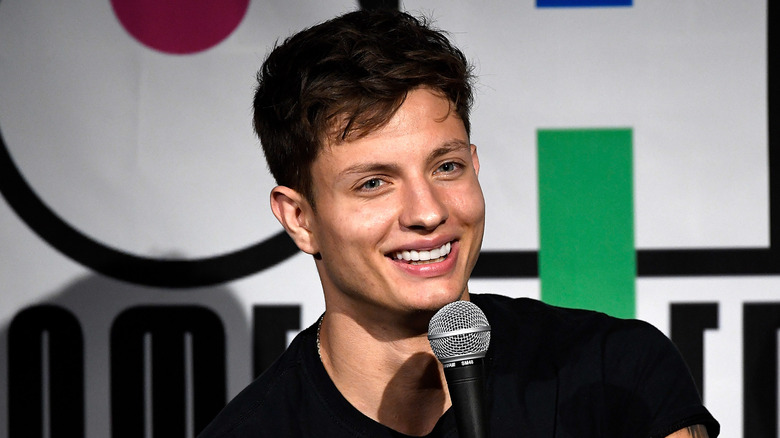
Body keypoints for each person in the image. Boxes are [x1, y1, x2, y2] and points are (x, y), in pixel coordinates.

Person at [198, 9, 719, 438]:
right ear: (299, 218)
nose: (428, 212)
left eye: (446, 167)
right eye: (374, 183)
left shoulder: (616, 373)